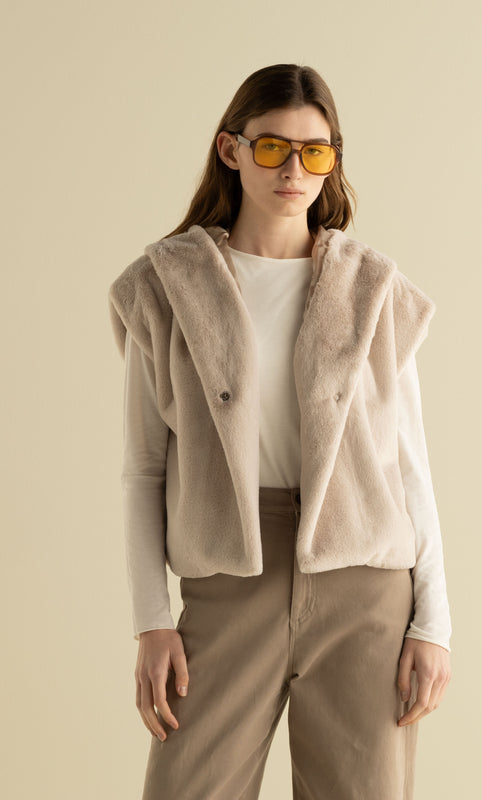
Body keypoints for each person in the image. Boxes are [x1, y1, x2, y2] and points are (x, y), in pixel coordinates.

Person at [108, 63, 452, 800]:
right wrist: (150, 621)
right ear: (230, 149)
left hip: (364, 588)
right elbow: (143, 468)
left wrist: (434, 625)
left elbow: (408, 465)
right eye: (272, 147)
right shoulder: (166, 287)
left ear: (332, 159)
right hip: (228, 583)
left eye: (315, 151)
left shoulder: (372, 289)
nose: (294, 170)